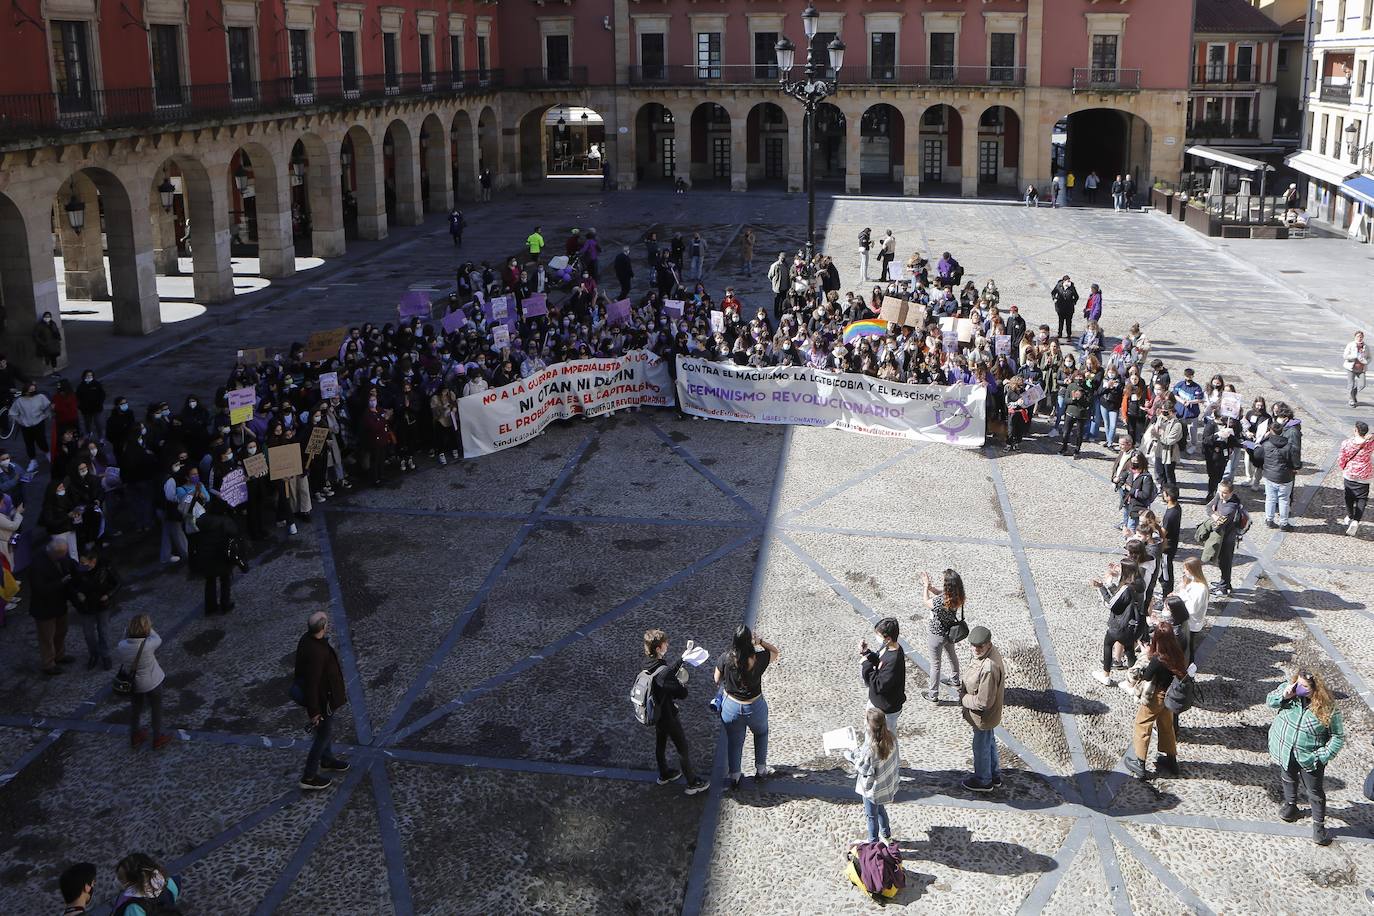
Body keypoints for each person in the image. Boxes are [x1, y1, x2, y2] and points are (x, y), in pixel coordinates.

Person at [1268, 669, 1345, 846]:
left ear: (1314, 688)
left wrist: (1322, 756)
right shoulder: (1289, 691)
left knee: (1315, 792)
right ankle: (1290, 806)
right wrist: (1284, 695)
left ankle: (1319, 827)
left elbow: (1338, 737)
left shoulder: (1328, 707)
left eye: (1304, 686)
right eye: (1298, 684)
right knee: (1288, 778)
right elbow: (1269, 701)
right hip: (1286, 750)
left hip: (1310, 757)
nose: (1300, 688)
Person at [642, 629, 709, 796]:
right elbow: (681, 693)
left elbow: (664, 674)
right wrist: (681, 683)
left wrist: (681, 660)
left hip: (657, 713)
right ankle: (692, 782)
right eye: (665, 643)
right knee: (682, 748)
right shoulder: (663, 671)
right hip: (668, 716)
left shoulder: (648, 664)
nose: (668, 645)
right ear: (658, 648)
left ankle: (664, 774)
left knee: (661, 743)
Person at [714, 625, 779, 790]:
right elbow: (775, 652)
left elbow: (716, 679)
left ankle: (735, 777)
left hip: (731, 707)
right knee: (761, 734)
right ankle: (761, 770)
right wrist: (760, 641)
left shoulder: (725, 658)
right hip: (755, 706)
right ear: (749, 641)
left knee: (735, 743)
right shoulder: (758, 658)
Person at [1122, 621, 1187, 780]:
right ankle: (1171, 760)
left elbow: (1146, 676)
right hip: (1170, 696)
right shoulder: (1178, 652)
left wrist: (1145, 654)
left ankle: (1140, 763)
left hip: (1156, 696)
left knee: (1142, 725)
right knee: (1166, 726)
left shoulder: (1159, 658)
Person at [295, 610, 351, 789]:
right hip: (322, 702)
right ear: (324, 627)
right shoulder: (317, 653)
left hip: (324, 698)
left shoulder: (307, 640)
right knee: (323, 735)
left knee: (324, 733)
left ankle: (327, 760)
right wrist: (315, 712)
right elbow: (312, 684)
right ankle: (309, 777)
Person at [843, 707, 900, 845]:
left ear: (870, 726)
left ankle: (873, 843)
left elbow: (862, 768)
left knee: (871, 816)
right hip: (885, 784)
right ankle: (886, 835)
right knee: (880, 809)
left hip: (872, 790)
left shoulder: (870, 749)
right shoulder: (891, 738)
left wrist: (849, 754)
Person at [958, 626, 1005, 793]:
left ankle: (984, 780)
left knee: (981, 746)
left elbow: (983, 702)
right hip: (989, 716)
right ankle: (994, 774)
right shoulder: (991, 654)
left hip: (983, 716)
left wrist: (963, 698)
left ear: (989, 645)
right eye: (973, 646)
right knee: (988, 742)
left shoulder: (988, 668)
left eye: (980, 646)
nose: (976, 650)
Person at [118, 613, 170, 750]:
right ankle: (158, 738)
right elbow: (157, 638)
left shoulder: (122, 646)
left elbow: (124, 637)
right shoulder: (148, 645)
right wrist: (148, 629)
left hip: (134, 685)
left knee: (136, 709)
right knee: (156, 710)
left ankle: (135, 735)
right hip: (152, 682)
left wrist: (129, 629)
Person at [29, 537, 78, 676]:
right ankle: (48, 664)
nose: (64, 557)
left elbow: (69, 564)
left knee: (61, 632)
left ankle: (59, 656)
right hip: (44, 608)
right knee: (47, 638)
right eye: (62, 555)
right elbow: (39, 589)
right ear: (54, 553)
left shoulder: (59, 556)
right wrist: (61, 582)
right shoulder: (37, 564)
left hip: (59, 604)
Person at [1091, 560, 1143, 685]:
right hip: (1132, 625)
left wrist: (1102, 586)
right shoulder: (1139, 583)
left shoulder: (1126, 587)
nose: (1118, 569)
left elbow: (1111, 603)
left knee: (1108, 644)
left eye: (1120, 567)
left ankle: (1106, 675)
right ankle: (1134, 681)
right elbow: (1121, 598)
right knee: (1129, 650)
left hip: (1119, 625)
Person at [921, 569, 964, 701]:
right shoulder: (958, 595)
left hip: (937, 634)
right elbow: (941, 593)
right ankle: (955, 679)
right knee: (952, 655)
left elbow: (926, 602)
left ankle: (933, 694)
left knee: (935, 664)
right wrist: (931, 588)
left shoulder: (941, 601)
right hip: (950, 632)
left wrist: (925, 588)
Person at [73, 549, 119, 670]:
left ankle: (105, 655)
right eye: (81, 562)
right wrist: (78, 593)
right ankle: (94, 654)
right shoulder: (79, 571)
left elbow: (117, 583)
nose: (82, 565)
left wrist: (108, 595)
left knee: (103, 631)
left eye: (84, 563)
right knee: (88, 634)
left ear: (93, 561)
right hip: (86, 606)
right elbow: (73, 585)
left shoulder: (105, 568)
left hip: (102, 605)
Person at [192, 498, 238, 614]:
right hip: (221, 556)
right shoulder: (225, 521)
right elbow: (234, 534)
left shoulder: (202, 520)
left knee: (210, 582)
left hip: (206, 556)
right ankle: (225, 604)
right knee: (225, 580)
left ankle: (210, 607)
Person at [859, 617, 906, 730]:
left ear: (888, 638)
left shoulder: (894, 660)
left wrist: (866, 665)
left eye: (879, 635)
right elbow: (880, 661)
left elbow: (879, 684)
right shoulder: (887, 647)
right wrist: (867, 653)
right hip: (877, 704)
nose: (877, 638)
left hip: (885, 711)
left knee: (887, 742)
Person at [1256, 420, 1299, 530]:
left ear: (1270, 431)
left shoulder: (1266, 444)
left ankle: (1269, 520)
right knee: (1284, 500)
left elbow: (1257, 455)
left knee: (1270, 498)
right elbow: (1296, 463)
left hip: (1270, 476)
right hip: (1285, 477)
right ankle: (1284, 523)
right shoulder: (1289, 446)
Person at [1204, 481, 1245, 596]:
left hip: (1227, 538)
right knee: (1222, 561)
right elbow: (1208, 507)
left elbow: (1218, 526)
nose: (1221, 495)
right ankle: (1225, 583)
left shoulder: (1231, 507)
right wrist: (1215, 515)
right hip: (1222, 535)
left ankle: (1224, 587)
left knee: (1225, 562)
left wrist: (1215, 514)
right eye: (1220, 492)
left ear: (1231, 493)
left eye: (1225, 493)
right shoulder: (1219, 495)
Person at [112, 853, 181, 915]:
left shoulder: (133, 909)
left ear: (134, 883)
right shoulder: (170, 883)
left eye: (120, 878)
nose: (116, 880)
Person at [1337, 420, 1373, 536]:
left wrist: (1343, 467)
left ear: (1356, 430)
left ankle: (1350, 515)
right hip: (1364, 474)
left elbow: (1342, 458)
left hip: (1350, 474)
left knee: (1349, 496)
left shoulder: (1347, 443)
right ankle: (1356, 521)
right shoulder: (1369, 444)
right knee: (1362, 498)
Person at [13, 381, 52, 470]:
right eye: (31, 390)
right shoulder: (19, 401)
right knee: (29, 443)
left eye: (34, 389)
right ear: (26, 391)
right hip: (25, 426)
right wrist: (20, 421)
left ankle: (47, 453)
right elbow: (13, 413)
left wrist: (45, 415)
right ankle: (33, 461)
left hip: (38, 423)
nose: (33, 392)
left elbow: (48, 406)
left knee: (41, 440)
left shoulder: (40, 397)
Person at [1177, 557, 1209, 662]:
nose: (1184, 571)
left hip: (1191, 623)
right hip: (1188, 621)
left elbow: (1192, 609)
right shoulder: (1194, 583)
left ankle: (1188, 669)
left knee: (1188, 649)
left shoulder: (1201, 588)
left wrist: (1183, 593)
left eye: (1185, 569)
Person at [1343, 330, 1368, 408]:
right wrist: (1354, 356)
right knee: (1351, 384)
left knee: (1362, 385)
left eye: (1361, 337)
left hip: (1361, 368)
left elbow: (1370, 357)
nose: (1359, 338)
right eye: (1358, 336)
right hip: (1351, 367)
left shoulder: (1365, 346)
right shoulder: (1350, 345)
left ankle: (1353, 395)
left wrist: (1366, 361)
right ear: (1355, 337)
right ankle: (1351, 400)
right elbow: (1345, 356)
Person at [768, 252, 788, 318]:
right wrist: (774, 283)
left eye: (784, 258)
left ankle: (782, 312)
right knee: (777, 301)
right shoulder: (775, 265)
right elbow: (770, 275)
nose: (783, 259)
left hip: (785, 287)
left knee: (783, 301)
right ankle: (776, 314)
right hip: (777, 287)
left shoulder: (786, 265)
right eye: (782, 258)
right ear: (779, 257)